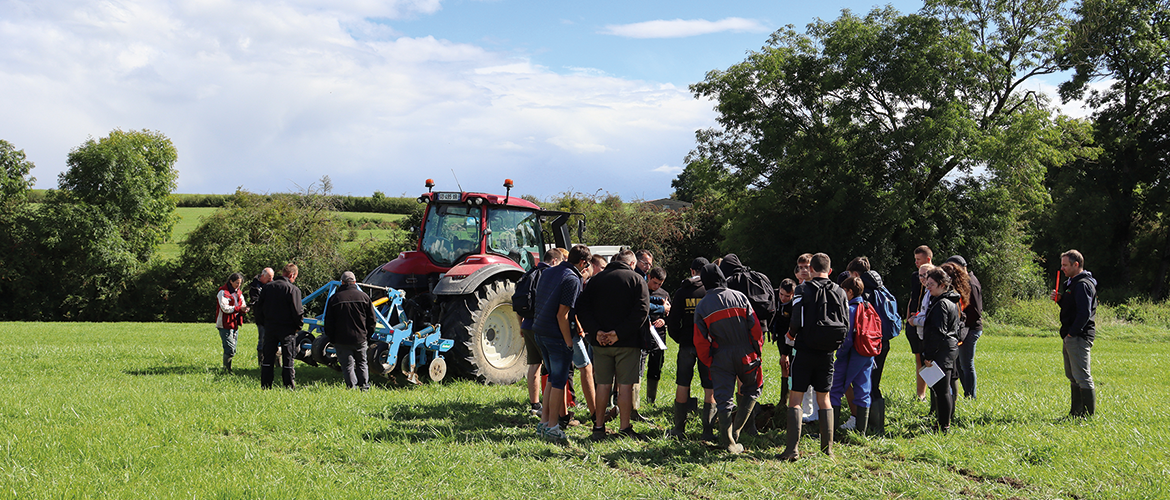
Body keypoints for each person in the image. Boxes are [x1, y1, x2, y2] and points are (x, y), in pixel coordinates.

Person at [779, 253, 847, 460]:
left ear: (811, 269)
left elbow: (796, 321)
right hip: (828, 352)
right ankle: (828, 450)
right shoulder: (840, 291)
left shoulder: (802, 289)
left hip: (805, 350)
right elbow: (847, 322)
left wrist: (790, 337)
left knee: (796, 399)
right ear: (830, 270)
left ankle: (792, 449)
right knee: (824, 399)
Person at [578, 248, 650, 441]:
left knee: (602, 385)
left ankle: (598, 426)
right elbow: (642, 311)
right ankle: (625, 428)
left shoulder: (596, 280)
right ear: (632, 264)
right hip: (627, 343)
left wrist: (596, 331)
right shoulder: (636, 280)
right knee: (625, 387)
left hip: (601, 343)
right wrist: (619, 334)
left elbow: (582, 308)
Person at [693, 263, 764, 454]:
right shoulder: (740, 297)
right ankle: (738, 431)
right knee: (752, 390)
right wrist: (757, 350)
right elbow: (755, 327)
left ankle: (729, 441)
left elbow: (700, 340)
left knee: (724, 399)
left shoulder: (702, 306)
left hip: (720, 356)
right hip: (746, 353)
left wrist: (710, 361)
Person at [532, 245, 590, 443]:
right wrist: (568, 342)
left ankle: (545, 423)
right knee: (558, 381)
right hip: (555, 335)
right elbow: (562, 315)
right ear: (583, 263)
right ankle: (553, 427)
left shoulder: (549, 271)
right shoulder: (573, 279)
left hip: (539, 330)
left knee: (550, 378)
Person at [666, 257, 716, 441]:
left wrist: (680, 338)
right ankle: (708, 431)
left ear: (692, 270)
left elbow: (672, 322)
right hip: (707, 345)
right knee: (709, 386)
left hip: (687, 343)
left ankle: (679, 429)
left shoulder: (682, 291)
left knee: (682, 383)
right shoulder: (710, 291)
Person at [519, 249, 563, 416]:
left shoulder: (528, 273)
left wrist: (520, 325)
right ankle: (551, 407)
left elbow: (519, 302)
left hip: (527, 325)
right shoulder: (549, 275)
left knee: (534, 365)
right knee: (550, 368)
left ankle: (535, 403)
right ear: (554, 261)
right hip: (543, 326)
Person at [829, 276, 874, 435]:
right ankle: (861, 431)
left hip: (851, 354)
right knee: (863, 390)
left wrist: (839, 354)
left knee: (835, 389)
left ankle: (830, 430)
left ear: (849, 292)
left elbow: (847, 338)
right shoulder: (868, 306)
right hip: (868, 353)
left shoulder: (849, 309)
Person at [1055, 250, 1097, 417]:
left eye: (1065, 265)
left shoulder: (1083, 284)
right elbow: (1071, 308)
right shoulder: (1072, 283)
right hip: (1070, 334)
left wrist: (1072, 333)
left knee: (1082, 375)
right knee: (1073, 375)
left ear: (1076, 264)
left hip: (1078, 336)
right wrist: (1060, 300)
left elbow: (1084, 313)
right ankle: (1075, 412)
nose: (1062, 268)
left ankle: (1087, 415)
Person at [922, 267, 962, 432]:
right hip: (949, 349)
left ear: (942, 285)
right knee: (943, 389)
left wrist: (929, 356)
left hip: (942, 351)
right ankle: (943, 422)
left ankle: (944, 426)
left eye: (931, 284)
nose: (928, 287)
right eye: (927, 284)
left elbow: (939, 332)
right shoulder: (950, 301)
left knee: (942, 390)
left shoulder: (941, 304)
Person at [324, 271, 377, 391]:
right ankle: (364, 388)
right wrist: (367, 335)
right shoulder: (364, 297)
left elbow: (329, 322)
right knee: (362, 363)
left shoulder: (335, 298)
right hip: (360, 338)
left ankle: (351, 388)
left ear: (342, 282)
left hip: (341, 339)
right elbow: (372, 320)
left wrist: (332, 338)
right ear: (354, 282)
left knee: (347, 365)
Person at [255, 263, 304, 389]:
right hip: (287, 329)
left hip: (270, 327)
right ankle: (288, 385)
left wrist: (263, 323)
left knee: (268, 358)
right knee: (288, 358)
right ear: (292, 275)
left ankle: (266, 385)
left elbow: (259, 307)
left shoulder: (267, 288)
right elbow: (297, 311)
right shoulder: (293, 290)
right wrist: (298, 326)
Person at [945, 255, 984, 399]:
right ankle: (966, 394)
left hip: (971, 329)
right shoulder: (962, 282)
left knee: (966, 365)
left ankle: (971, 396)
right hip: (964, 328)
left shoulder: (971, 283)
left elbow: (976, 311)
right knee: (960, 365)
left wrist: (963, 326)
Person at [907, 246, 933, 401]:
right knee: (919, 359)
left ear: (928, 259)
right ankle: (920, 394)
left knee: (929, 360)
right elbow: (913, 298)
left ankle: (936, 394)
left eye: (918, 259)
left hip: (928, 325)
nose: (916, 262)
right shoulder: (914, 276)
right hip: (914, 323)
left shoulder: (938, 276)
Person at [643, 267, 670, 406]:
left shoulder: (664, 294)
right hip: (643, 334)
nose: (657, 286)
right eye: (655, 283)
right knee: (639, 367)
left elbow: (671, 313)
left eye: (660, 284)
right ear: (649, 277)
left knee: (656, 366)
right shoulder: (642, 290)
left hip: (659, 335)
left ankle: (650, 399)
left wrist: (664, 320)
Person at [215, 272, 249, 373]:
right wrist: (239, 308)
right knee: (229, 348)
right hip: (224, 323)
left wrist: (245, 308)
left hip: (235, 322)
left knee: (233, 348)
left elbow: (242, 303)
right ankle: (226, 369)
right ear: (231, 281)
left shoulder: (238, 292)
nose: (238, 285)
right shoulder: (223, 292)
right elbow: (225, 308)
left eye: (240, 283)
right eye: (236, 283)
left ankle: (227, 368)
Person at [772, 278, 797, 411]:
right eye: (781, 294)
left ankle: (791, 400)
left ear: (793, 294)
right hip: (781, 336)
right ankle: (783, 399)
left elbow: (792, 330)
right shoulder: (775, 296)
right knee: (784, 366)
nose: (783, 298)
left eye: (787, 296)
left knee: (790, 366)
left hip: (792, 338)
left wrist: (785, 353)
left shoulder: (794, 305)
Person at [247, 268, 274, 367]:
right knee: (262, 340)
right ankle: (261, 363)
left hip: (272, 318)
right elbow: (256, 301)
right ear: (263, 276)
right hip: (262, 318)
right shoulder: (255, 287)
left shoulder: (272, 284)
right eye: (269, 278)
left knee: (275, 341)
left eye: (272, 278)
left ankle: (276, 362)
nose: (271, 280)